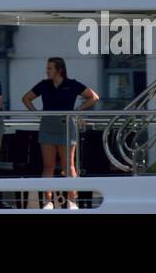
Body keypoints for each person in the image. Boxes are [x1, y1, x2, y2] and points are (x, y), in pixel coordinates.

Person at [22, 57, 99, 208]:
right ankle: (48, 202)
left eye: (50, 68)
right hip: (47, 127)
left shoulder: (72, 84)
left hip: (66, 127)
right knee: (48, 166)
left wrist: (78, 109)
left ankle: (72, 201)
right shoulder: (44, 85)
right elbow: (26, 98)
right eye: (47, 68)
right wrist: (37, 113)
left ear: (59, 69)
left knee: (68, 166)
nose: (47, 71)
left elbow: (93, 97)